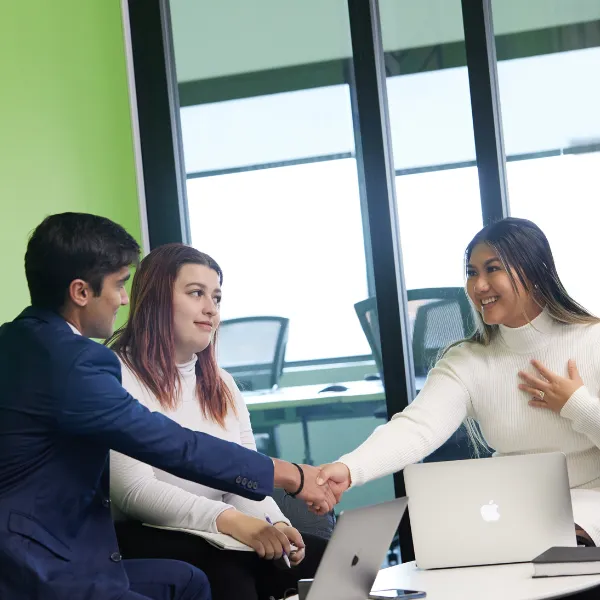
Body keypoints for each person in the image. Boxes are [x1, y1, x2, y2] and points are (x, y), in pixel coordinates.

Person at [0, 213, 336, 600]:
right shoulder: (76, 362)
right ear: (80, 292)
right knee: (223, 571)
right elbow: (173, 446)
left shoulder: (20, 342)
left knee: (194, 581)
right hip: (40, 565)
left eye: (216, 297)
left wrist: (270, 520)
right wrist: (289, 476)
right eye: (119, 285)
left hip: (56, 550)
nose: (124, 299)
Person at [318, 217, 600, 547]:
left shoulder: (591, 341)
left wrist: (577, 405)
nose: (479, 285)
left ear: (534, 274)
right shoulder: (468, 360)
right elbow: (417, 427)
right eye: (472, 272)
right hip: (513, 514)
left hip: (590, 512)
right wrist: (349, 468)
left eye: (492, 269)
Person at [108, 243, 328, 600]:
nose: (211, 309)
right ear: (156, 300)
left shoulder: (221, 383)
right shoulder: (115, 373)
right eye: (196, 294)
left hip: (220, 528)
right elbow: (135, 492)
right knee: (230, 568)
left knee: (323, 560)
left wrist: (277, 526)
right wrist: (233, 522)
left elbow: (245, 479)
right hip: (143, 529)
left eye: (217, 298)